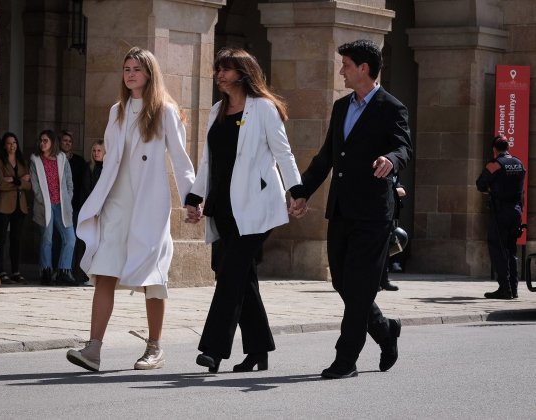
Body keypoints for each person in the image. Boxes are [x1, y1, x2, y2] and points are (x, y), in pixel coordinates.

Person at [66, 47, 195, 372]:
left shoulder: (165, 111)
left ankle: (154, 347)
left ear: (150, 74)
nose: (131, 74)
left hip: (149, 203)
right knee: (105, 271)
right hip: (117, 203)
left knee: (153, 277)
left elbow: (180, 159)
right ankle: (93, 349)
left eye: (137, 68)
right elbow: (111, 159)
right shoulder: (117, 111)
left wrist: (193, 199)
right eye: (126, 68)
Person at [290, 39, 413, 379]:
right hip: (342, 209)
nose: (341, 71)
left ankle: (346, 360)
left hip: (374, 212)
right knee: (343, 282)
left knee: (358, 286)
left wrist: (390, 159)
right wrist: (301, 191)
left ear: (363, 68)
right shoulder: (342, 107)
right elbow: (327, 156)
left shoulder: (392, 107)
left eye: (345, 64)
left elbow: (404, 147)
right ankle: (385, 329)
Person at [185, 47, 303, 374]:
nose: (220, 75)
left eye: (227, 69)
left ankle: (212, 349)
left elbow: (284, 154)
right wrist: (194, 197)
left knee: (230, 274)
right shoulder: (217, 111)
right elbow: (210, 161)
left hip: (257, 208)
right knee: (242, 277)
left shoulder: (264, 109)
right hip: (223, 208)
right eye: (218, 69)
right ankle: (258, 350)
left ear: (244, 72)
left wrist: (297, 192)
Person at [476, 135, 525, 299]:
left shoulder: (494, 165)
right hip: (516, 211)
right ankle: (513, 288)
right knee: (511, 249)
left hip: (501, 211)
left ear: (494, 149)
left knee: (497, 247)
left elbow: (480, 184)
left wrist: (491, 188)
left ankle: (504, 288)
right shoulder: (519, 163)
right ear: (507, 147)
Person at [29, 129, 78, 286]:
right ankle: (46, 272)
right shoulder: (35, 160)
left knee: (70, 238)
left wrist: (68, 199)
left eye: (45, 140)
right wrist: (42, 200)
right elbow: (35, 185)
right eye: (41, 140)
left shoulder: (62, 158)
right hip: (45, 207)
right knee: (47, 239)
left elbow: (69, 182)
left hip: (62, 206)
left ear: (52, 143)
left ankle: (64, 271)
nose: (42, 143)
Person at [0, 132, 31, 284]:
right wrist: (20, 181)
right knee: (1, 239)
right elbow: (1, 184)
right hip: (3, 206)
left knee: (16, 240)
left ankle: (16, 271)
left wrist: (15, 180)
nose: (12, 146)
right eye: (9, 143)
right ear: (4, 145)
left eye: (14, 143)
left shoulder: (22, 162)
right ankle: (1, 270)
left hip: (19, 206)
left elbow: (29, 185)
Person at [59, 130, 89, 282]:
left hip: (75, 206)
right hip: (58, 205)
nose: (67, 143)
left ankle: (71, 271)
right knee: (58, 239)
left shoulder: (79, 161)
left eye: (69, 141)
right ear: (59, 142)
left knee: (73, 240)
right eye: (64, 141)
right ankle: (57, 271)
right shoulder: (56, 159)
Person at [379, 177, 406, 292]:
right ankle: (374, 282)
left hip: (390, 217)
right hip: (377, 216)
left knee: (385, 251)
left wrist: (391, 189)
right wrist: (393, 190)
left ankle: (384, 281)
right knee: (376, 251)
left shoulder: (393, 174)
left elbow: (403, 191)